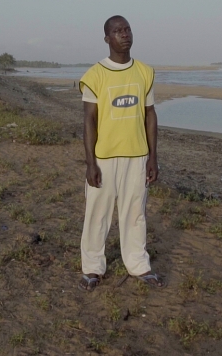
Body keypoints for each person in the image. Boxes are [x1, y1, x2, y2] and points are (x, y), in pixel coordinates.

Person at [77, 15, 163, 291]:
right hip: (105, 158)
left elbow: (150, 115)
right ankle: (92, 268)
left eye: (127, 29)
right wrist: (91, 163)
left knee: (135, 213)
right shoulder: (95, 75)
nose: (124, 34)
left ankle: (138, 265)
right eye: (117, 31)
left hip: (137, 157)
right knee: (97, 214)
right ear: (107, 38)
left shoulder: (145, 72)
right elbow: (89, 121)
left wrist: (152, 157)